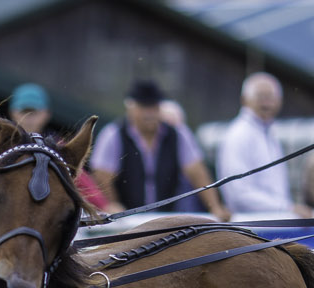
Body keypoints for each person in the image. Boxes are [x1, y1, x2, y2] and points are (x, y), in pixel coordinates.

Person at [89, 78, 229, 218]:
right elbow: (102, 177)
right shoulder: (113, 134)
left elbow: (197, 172)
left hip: (166, 220)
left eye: (154, 107)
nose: (149, 113)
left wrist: (214, 207)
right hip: (126, 221)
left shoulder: (177, 134)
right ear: (131, 107)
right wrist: (112, 206)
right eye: (144, 107)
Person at [0, 82, 112, 211]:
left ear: (46, 114)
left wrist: (105, 206)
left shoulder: (55, 143)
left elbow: (80, 177)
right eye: (24, 111)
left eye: (33, 112)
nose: (28, 118)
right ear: (13, 112)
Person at [215, 72, 311, 218]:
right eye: (261, 96)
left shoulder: (269, 133)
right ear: (244, 100)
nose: (267, 103)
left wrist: (287, 208)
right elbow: (239, 194)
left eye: (271, 97)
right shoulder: (238, 134)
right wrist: (286, 208)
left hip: (273, 220)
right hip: (251, 224)